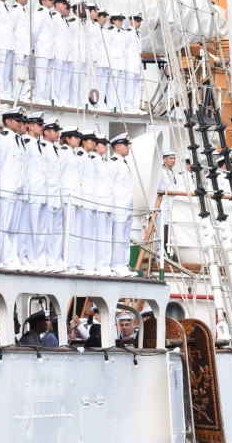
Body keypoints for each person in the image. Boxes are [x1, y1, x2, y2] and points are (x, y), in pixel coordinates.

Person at [0, 106, 28, 266]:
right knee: (4, 225)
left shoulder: (18, 140)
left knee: (14, 226)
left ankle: (12, 255)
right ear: (8, 121)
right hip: (7, 188)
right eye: (18, 121)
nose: (21, 124)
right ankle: (4, 256)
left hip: (17, 189)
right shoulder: (4, 138)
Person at [20, 111, 49, 267]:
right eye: (39, 124)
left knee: (40, 227)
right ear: (30, 126)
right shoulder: (26, 143)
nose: (41, 127)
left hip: (41, 191)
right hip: (31, 191)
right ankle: (29, 256)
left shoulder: (40, 145)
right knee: (29, 226)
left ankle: (38, 256)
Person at [59, 125, 84, 272]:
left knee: (73, 230)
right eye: (76, 137)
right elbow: (60, 174)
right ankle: (66, 261)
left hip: (74, 196)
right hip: (67, 195)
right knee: (67, 229)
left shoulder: (73, 153)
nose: (79, 139)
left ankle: (72, 261)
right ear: (68, 139)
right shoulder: (64, 152)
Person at [109, 133, 134, 276]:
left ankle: (124, 264)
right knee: (117, 237)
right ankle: (116, 264)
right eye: (126, 145)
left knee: (125, 236)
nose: (128, 148)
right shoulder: (114, 162)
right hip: (118, 205)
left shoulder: (124, 162)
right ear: (117, 147)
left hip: (127, 205)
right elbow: (110, 184)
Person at [42, 119, 64, 268]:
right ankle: (48, 258)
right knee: (46, 230)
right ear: (46, 132)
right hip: (48, 194)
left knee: (57, 231)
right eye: (55, 131)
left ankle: (56, 258)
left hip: (58, 195)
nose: (58, 134)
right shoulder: (42, 148)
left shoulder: (56, 150)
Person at [76, 130, 98, 274]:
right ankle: (82, 263)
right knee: (81, 232)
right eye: (91, 141)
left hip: (90, 199)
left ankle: (88, 263)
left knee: (89, 234)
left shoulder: (88, 157)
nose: (94, 144)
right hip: (83, 199)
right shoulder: (80, 156)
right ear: (84, 142)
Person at [92, 134, 114, 275]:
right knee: (99, 236)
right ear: (95, 145)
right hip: (99, 202)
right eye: (102, 144)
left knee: (106, 236)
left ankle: (106, 264)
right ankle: (99, 264)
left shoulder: (104, 161)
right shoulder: (92, 160)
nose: (105, 146)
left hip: (108, 202)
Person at [31, 0, 56, 104]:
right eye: (50, 0)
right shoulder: (40, 12)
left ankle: (44, 96)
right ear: (43, 1)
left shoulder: (48, 13)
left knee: (47, 74)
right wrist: (33, 46)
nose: (52, 2)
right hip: (42, 47)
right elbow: (35, 31)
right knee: (41, 73)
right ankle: (38, 96)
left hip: (49, 49)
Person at [105, 12, 127, 111]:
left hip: (121, 62)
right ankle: (111, 105)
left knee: (121, 86)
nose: (121, 22)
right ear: (113, 21)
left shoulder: (123, 32)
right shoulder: (109, 31)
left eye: (122, 20)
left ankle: (119, 106)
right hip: (113, 61)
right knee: (112, 85)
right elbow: (108, 47)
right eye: (119, 20)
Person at [125, 14, 144, 112]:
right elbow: (124, 48)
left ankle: (135, 106)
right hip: (130, 63)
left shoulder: (138, 33)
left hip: (137, 64)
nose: (139, 23)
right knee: (129, 85)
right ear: (131, 21)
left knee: (137, 85)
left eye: (139, 21)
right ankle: (128, 106)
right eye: (137, 21)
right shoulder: (127, 33)